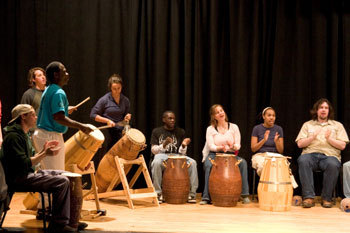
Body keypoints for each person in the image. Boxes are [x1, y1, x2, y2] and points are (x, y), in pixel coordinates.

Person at [0, 104, 87, 232]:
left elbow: (30, 159)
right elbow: (24, 163)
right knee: (62, 182)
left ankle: (70, 221)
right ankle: (59, 224)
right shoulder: (13, 136)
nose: (36, 117)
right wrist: (45, 154)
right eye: (32, 114)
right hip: (18, 178)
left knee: (64, 175)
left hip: (25, 174)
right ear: (23, 116)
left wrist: (43, 151)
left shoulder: (23, 134)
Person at [33, 61, 93, 170]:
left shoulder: (49, 89)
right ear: (56, 75)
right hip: (50, 136)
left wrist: (65, 109)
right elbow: (58, 117)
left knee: (49, 174)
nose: (67, 74)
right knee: (55, 175)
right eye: (64, 72)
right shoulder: (58, 92)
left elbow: (51, 111)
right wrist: (81, 126)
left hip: (43, 134)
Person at [296, 98, 349, 208]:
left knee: (333, 164)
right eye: (321, 108)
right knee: (303, 160)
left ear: (329, 111)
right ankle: (309, 197)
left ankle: (326, 198)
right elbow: (300, 144)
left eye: (326, 108)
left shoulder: (337, 125)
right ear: (316, 110)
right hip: (310, 154)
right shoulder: (308, 125)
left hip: (329, 156)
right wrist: (312, 137)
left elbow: (343, 145)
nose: (323, 110)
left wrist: (330, 139)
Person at [200, 104, 250, 205]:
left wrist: (233, 146)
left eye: (221, 110)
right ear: (214, 116)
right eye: (217, 112)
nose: (220, 113)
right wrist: (220, 148)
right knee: (209, 165)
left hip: (230, 155)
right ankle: (206, 197)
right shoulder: (210, 129)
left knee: (243, 163)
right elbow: (211, 146)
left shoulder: (234, 127)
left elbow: (238, 145)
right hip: (215, 155)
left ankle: (244, 194)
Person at [150, 111, 198, 204]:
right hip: (162, 155)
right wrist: (164, 144)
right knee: (156, 162)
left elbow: (181, 153)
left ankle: (192, 194)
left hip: (177, 156)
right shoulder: (157, 131)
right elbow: (153, 150)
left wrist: (184, 145)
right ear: (164, 119)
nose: (172, 120)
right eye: (170, 118)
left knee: (193, 163)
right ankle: (158, 193)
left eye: (173, 119)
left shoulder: (180, 131)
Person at [90, 74, 131, 149]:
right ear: (110, 88)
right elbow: (93, 115)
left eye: (119, 88)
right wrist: (107, 120)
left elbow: (126, 114)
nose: (117, 91)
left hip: (120, 128)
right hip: (108, 130)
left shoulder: (125, 100)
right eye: (114, 88)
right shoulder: (104, 100)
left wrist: (127, 117)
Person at [251, 107, 284, 176]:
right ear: (263, 116)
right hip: (260, 155)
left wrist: (276, 141)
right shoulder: (257, 128)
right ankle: (266, 186)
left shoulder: (279, 129)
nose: (271, 118)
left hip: (275, 156)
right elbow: (253, 149)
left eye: (273, 115)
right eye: (269, 115)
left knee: (283, 166)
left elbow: (281, 151)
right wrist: (264, 140)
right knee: (264, 167)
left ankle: (279, 186)